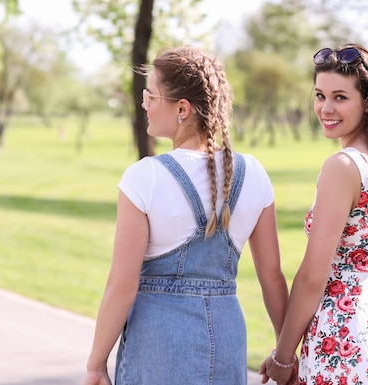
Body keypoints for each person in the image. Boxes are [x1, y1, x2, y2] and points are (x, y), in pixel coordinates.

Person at [84, 46, 289, 385]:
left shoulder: (144, 177)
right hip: (227, 339)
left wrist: (95, 365)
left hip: (158, 345)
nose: (144, 103)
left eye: (151, 95)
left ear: (182, 108)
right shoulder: (254, 173)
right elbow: (272, 278)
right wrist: (286, 354)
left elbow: (122, 283)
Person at [260, 44, 368, 385]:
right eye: (320, 95)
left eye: (340, 97)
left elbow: (314, 275)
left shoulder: (343, 166)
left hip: (347, 342)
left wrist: (283, 358)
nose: (326, 108)